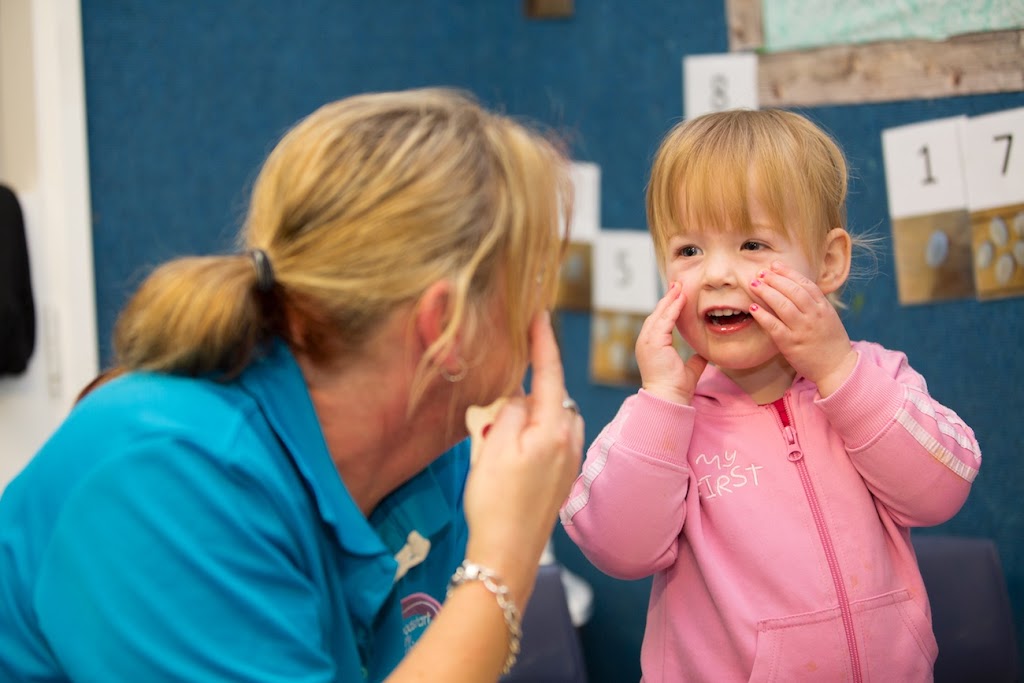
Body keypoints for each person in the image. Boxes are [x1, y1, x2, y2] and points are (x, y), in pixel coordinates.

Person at [0, 87, 584, 682]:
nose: (540, 310)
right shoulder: (163, 473)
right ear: (447, 327)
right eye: (532, 281)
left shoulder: (436, 463)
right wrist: (504, 560)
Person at [560, 109, 981, 682]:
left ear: (828, 262)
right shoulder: (662, 423)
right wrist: (659, 400)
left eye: (752, 243)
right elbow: (619, 550)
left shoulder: (876, 378)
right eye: (688, 251)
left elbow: (942, 492)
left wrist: (838, 371)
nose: (716, 274)